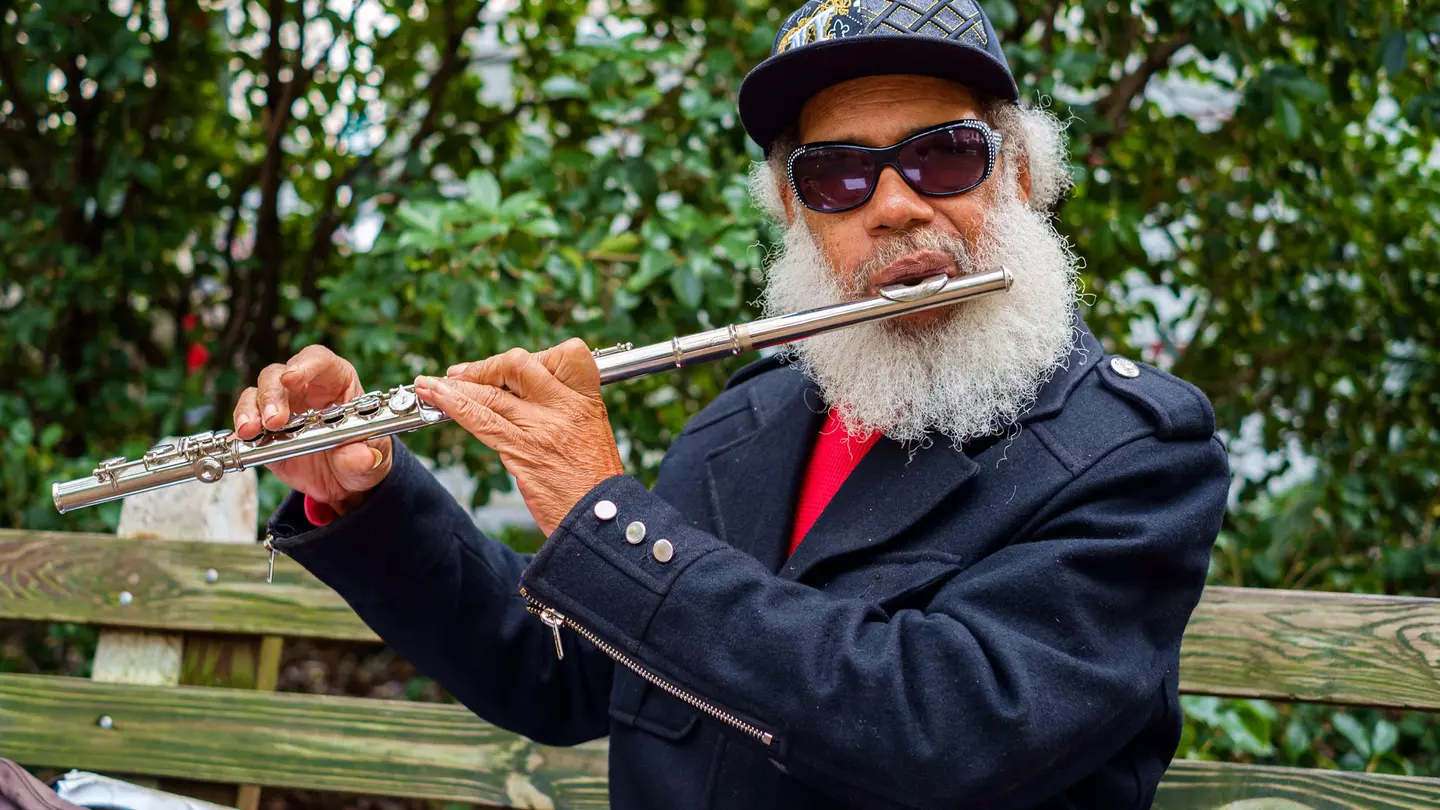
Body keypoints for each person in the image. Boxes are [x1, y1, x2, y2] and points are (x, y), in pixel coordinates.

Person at [237, 1, 1230, 807]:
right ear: (798, 213)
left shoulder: (1132, 454)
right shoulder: (748, 424)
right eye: (838, 173)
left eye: (944, 156)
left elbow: (946, 730)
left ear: (1017, 174)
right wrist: (369, 500)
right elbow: (561, 676)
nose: (894, 203)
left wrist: (609, 518)